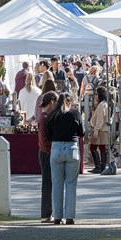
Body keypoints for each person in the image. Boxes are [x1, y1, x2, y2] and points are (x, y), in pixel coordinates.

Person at [45, 92, 83, 224]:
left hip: (56, 148)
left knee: (57, 184)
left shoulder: (51, 116)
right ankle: (70, 216)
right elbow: (81, 132)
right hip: (71, 147)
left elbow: (48, 135)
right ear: (69, 102)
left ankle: (57, 216)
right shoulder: (75, 114)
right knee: (71, 184)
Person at [36, 91, 57, 223]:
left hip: (46, 152)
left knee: (50, 183)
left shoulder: (45, 116)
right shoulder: (44, 118)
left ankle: (48, 212)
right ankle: (46, 213)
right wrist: (50, 149)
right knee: (47, 184)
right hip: (46, 153)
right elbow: (44, 140)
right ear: (52, 102)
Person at [87, 86, 110, 174]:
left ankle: (99, 166)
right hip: (102, 129)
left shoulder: (102, 105)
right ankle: (101, 166)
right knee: (101, 147)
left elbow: (100, 119)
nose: (95, 96)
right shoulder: (103, 104)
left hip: (100, 129)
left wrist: (96, 130)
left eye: (96, 94)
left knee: (94, 147)